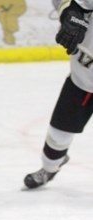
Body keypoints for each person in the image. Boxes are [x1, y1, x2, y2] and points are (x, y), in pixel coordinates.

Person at [24, 0, 92, 189]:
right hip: (84, 80)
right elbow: (71, 4)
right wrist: (70, 15)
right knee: (57, 136)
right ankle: (50, 167)